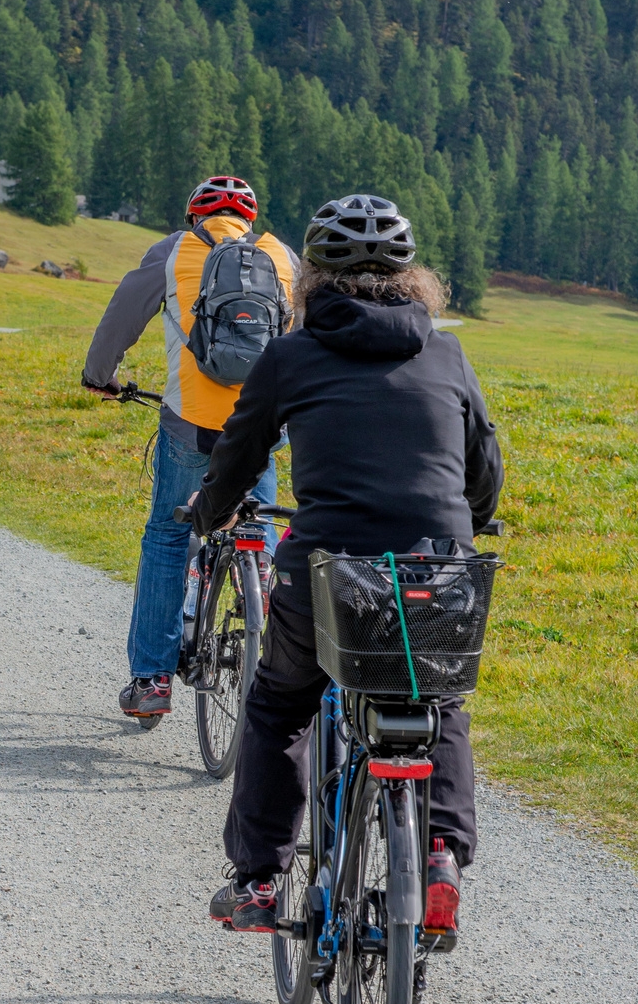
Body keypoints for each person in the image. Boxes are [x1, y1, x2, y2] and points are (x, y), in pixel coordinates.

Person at [191, 193, 503, 943]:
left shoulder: (291, 352)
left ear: (313, 275)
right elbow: (483, 465)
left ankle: (261, 879)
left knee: (279, 704)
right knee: (440, 702)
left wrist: (210, 512)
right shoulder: (446, 350)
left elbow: (240, 451)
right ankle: (439, 859)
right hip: (437, 572)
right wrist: (476, 514)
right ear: (412, 275)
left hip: (329, 572)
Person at [82, 175, 299, 721]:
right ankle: (266, 657)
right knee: (259, 529)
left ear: (195, 216)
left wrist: (99, 375)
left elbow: (121, 316)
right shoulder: (282, 258)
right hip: (262, 428)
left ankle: (152, 678)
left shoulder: (173, 250)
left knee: (169, 532)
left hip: (190, 426)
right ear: (249, 220)